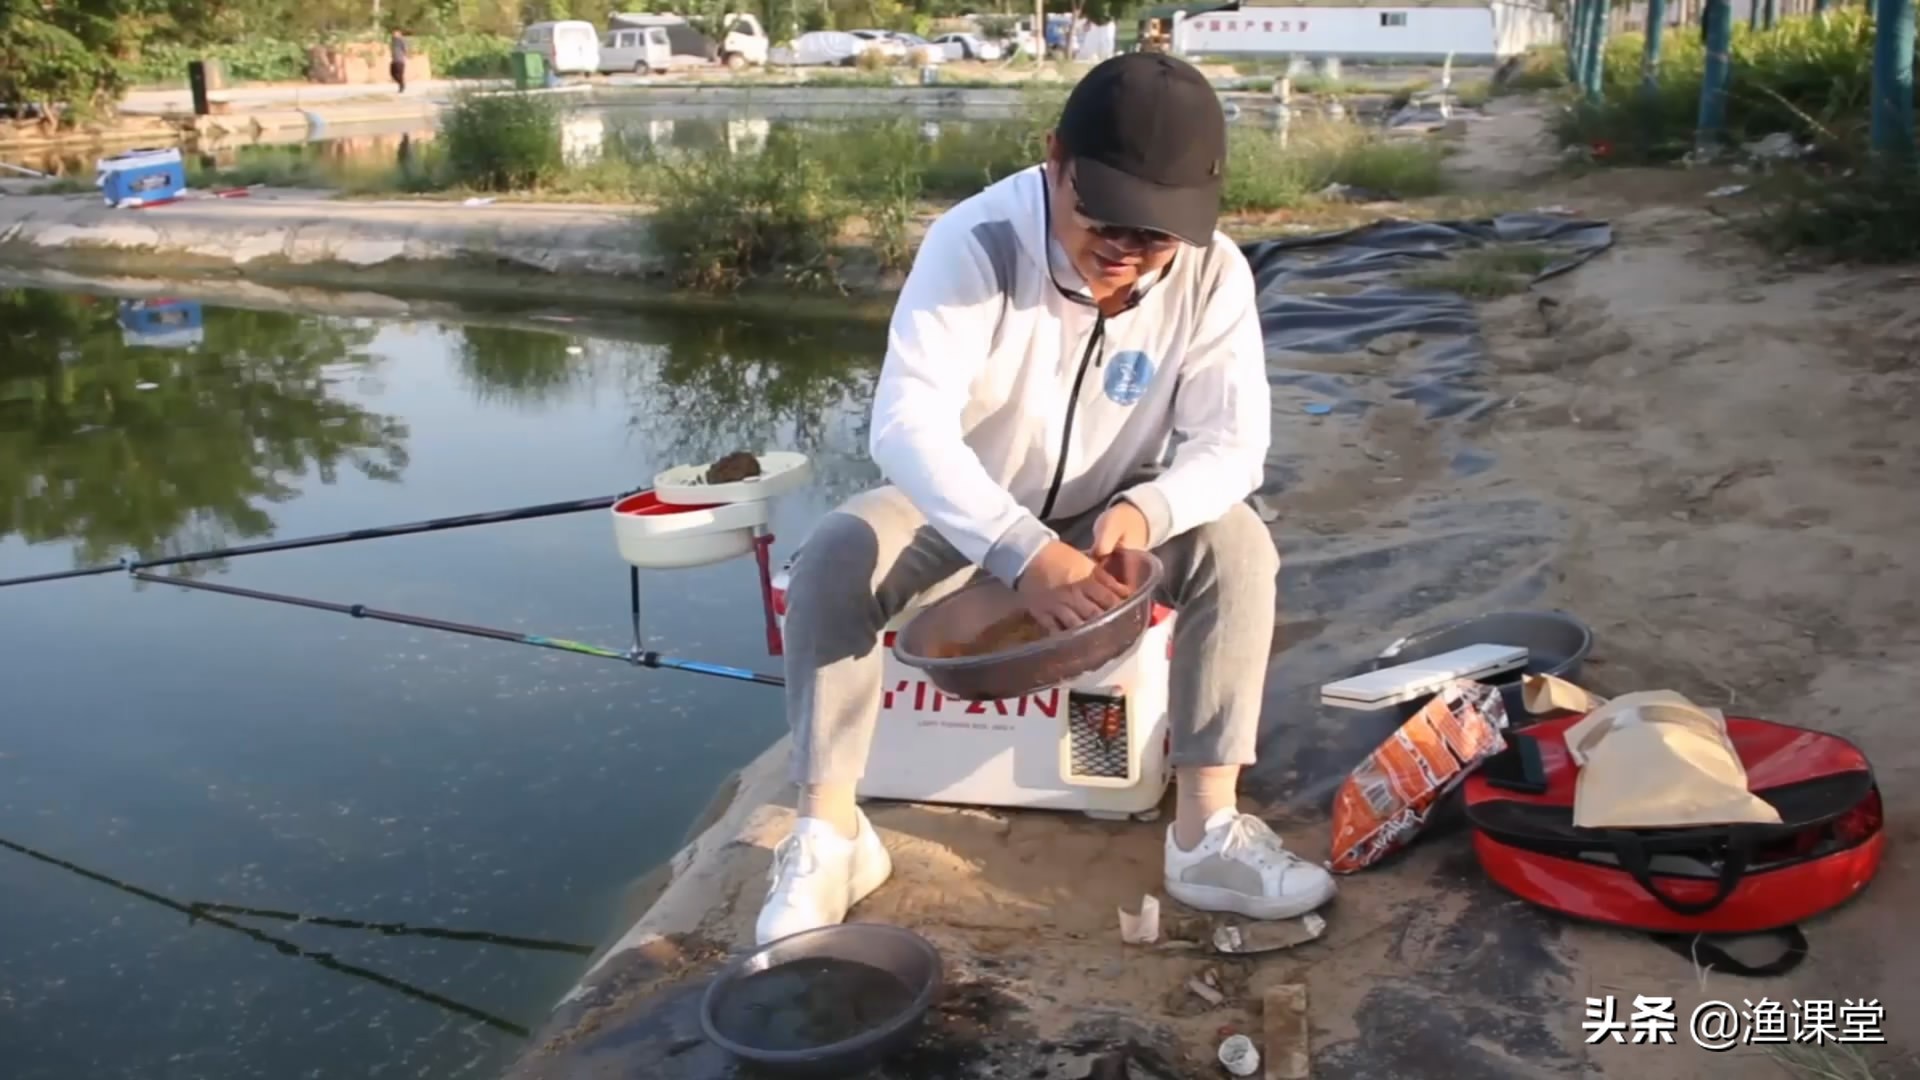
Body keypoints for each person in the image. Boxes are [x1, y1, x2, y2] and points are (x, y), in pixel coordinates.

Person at [756, 52, 1336, 946]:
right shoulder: (976, 243)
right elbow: (905, 426)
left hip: (1116, 507)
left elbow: (1232, 445)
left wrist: (1148, 513)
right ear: (1055, 157)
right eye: (1102, 218)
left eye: (1155, 235)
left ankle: (1206, 830)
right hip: (972, 511)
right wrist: (1021, 551)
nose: (1125, 252)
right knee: (839, 552)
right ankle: (830, 832)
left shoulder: (1214, 274)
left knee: (1240, 545)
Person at [390, 29, 409, 94]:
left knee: (399, 75)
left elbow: (405, 49)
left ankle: (401, 86)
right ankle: (402, 84)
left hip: (400, 60)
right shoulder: (393, 41)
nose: (394, 34)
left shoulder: (401, 40)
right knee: (392, 74)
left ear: (399, 34)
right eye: (393, 33)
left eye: (395, 33)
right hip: (394, 60)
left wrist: (406, 56)